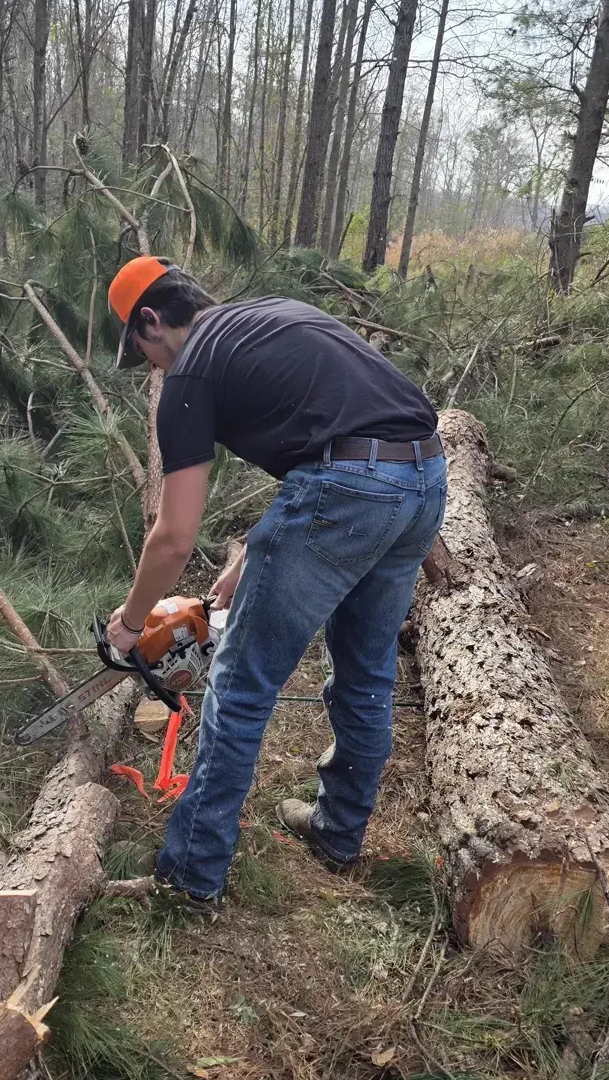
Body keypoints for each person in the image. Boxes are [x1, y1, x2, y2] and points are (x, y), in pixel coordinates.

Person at [105, 254, 446, 905]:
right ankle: (339, 832)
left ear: (151, 320)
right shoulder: (267, 316)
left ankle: (190, 877)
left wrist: (129, 622)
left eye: (143, 351)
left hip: (351, 492)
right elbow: (334, 435)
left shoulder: (189, 375)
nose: (153, 366)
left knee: (238, 682)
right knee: (368, 667)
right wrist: (252, 552)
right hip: (426, 476)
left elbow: (174, 536)